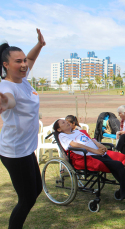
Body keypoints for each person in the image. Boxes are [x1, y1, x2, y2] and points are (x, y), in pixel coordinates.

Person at [53, 119, 125, 210]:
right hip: (88, 157)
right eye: (63, 123)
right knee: (117, 166)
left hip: (98, 153)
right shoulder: (63, 135)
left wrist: (100, 145)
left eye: (66, 121)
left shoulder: (77, 131)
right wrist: (94, 150)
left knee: (117, 165)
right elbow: (75, 144)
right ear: (59, 129)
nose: (66, 122)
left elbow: (91, 140)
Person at [0, 28, 45, 229]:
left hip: (26, 149)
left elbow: (31, 59)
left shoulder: (24, 80)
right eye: (18, 62)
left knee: (36, 190)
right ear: (6, 65)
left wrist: (40, 45)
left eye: (24, 60)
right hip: (15, 152)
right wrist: (4, 103)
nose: (24, 64)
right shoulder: (6, 87)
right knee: (27, 199)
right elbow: (8, 100)